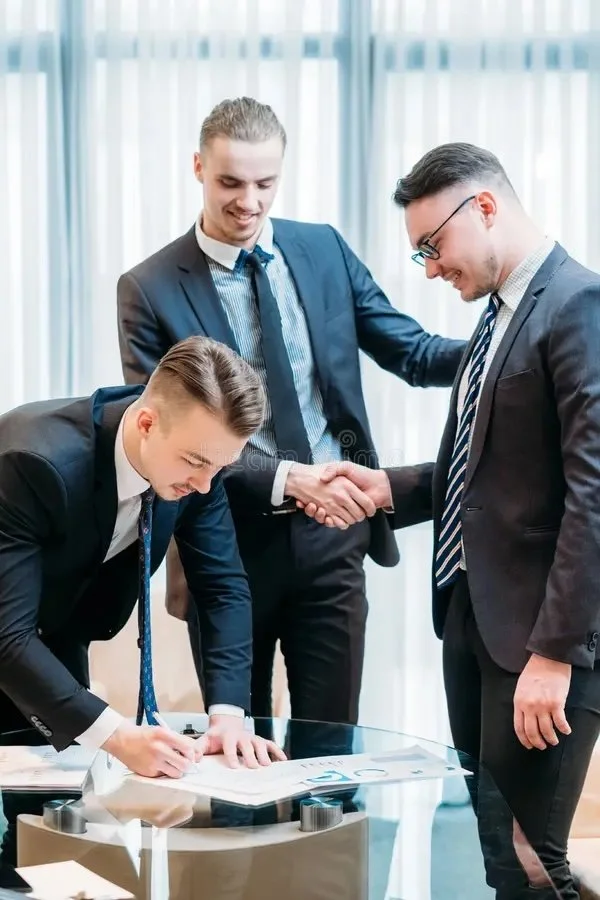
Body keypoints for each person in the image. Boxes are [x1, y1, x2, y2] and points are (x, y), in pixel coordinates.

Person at [303, 142, 600, 898]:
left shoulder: (579, 304)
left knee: (531, 864)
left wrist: (556, 654)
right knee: (500, 854)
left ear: (486, 207)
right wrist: (387, 490)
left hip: (542, 640)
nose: (431, 269)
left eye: (432, 246)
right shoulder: (498, 318)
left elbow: (593, 493)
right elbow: (489, 469)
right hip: (474, 621)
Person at [117, 96, 466, 727]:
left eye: (265, 183)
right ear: (198, 167)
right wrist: (289, 479)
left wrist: (509, 346)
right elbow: (166, 438)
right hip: (224, 545)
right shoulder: (150, 288)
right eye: (230, 182)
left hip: (335, 534)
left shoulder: (323, 248)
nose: (249, 202)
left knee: (332, 750)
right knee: (236, 748)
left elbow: (411, 352)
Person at [0, 334, 285, 778]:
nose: (205, 485)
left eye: (219, 468)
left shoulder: (199, 466)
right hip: (11, 636)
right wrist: (118, 737)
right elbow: (6, 635)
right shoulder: (33, 463)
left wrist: (228, 718)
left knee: (54, 807)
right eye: (195, 462)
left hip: (54, 647)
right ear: (147, 424)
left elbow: (222, 587)